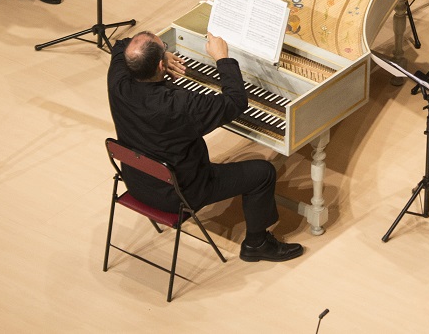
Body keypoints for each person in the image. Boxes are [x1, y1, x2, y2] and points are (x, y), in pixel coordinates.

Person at [107, 31, 303, 263]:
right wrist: (222, 58)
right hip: (181, 193)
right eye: (165, 48)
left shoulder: (117, 82)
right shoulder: (178, 105)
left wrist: (164, 56)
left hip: (138, 182)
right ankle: (256, 244)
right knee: (263, 172)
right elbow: (235, 102)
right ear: (159, 65)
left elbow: (121, 44)